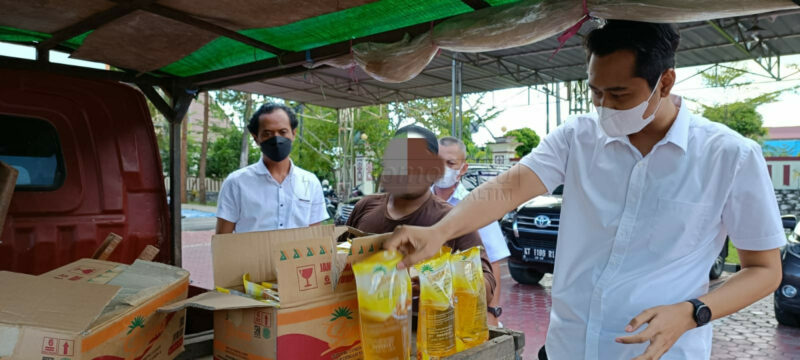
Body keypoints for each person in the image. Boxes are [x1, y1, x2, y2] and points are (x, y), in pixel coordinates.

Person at [386, 20, 783, 360]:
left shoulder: (729, 156)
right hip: (566, 348)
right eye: (596, 91)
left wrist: (693, 311)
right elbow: (509, 187)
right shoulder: (578, 137)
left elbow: (764, 270)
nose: (604, 106)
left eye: (619, 94)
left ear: (665, 81)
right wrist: (440, 231)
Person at [344, 125, 496, 303]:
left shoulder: (453, 220)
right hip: (361, 325)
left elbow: (487, 286)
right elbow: (339, 263)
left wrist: (439, 283)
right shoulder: (365, 207)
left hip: (427, 328)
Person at [216, 103, 328, 234]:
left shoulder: (310, 182)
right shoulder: (236, 183)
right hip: (251, 255)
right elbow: (222, 242)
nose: (276, 139)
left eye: (283, 132)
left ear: (293, 133)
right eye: (267, 133)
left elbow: (314, 237)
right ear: (256, 138)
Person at [433, 136, 510, 326]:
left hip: (466, 305)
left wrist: (492, 312)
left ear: (463, 168)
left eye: (451, 163)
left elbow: (494, 261)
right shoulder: (419, 202)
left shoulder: (476, 205)